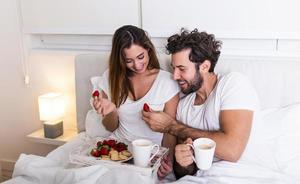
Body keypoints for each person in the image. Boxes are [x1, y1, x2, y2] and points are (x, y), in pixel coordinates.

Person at [142, 29, 263, 179]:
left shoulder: (232, 84)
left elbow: (232, 150)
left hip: (241, 176)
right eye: (174, 69)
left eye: (182, 69)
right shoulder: (184, 106)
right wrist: (182, 163)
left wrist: (171, 126)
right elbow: (185, 173)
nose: (175, 76)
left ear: (205, 66)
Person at [92, 25, 180, 179]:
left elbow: (170, 131)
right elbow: (109, 126)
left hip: (149, 154)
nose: (137, 65)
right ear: (120, 60)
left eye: (141, 57)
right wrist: (111, 111)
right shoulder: (110, 78)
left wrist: (168, 160)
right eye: (129, 61)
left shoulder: (167, 82)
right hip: (118, 149)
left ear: (148, 50)